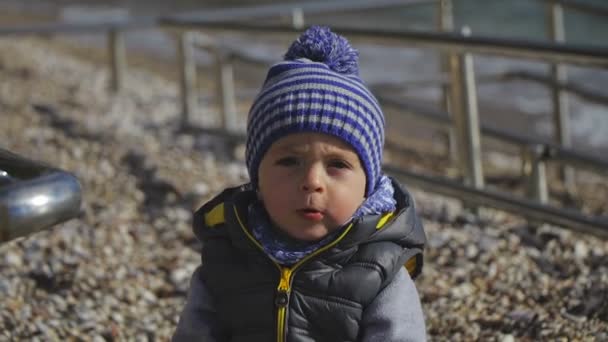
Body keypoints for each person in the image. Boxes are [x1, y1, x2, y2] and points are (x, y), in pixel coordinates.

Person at [173, 26, 427, 342]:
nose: (311, 182)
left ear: (368, 184)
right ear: (257, 178)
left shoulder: (379, 271)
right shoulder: (226, 257)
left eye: (337, 165)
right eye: (289, 161)